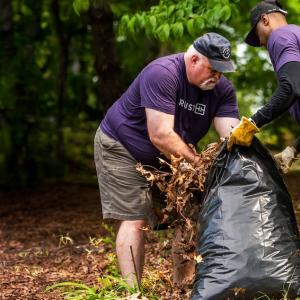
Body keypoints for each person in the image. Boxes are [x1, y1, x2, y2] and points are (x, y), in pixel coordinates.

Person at [94, 32, 240, 286]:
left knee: (192, 213)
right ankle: (133, 292)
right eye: (213, 69)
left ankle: (182, 288)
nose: (217, 76)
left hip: (171, 156)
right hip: (122, 146)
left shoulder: (222, 91)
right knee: (135, 216)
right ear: (194, 59)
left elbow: (231, 135)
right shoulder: (163, 73)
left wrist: (246, 158)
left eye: (222, 70)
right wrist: (198, 165)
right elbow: (160, 134)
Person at [227, 0, 300, 173]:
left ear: (265, 20)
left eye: (257, 35)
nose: (260, 42)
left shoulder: (280, 36)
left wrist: (252, 122)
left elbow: (290, 87)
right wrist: (293, 149)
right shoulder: (295, 33)